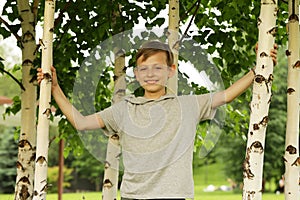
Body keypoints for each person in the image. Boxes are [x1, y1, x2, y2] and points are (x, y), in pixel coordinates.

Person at [37, 40, 277, 200]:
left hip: (175, 196)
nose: (150, 74)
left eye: (157, 68)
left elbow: (226, 95)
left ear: (170, 71)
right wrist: (56, 88)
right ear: (136, 73)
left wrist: (259, 67)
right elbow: (80, 122)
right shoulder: (122, 109)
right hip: (134, 197)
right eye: (144, 69)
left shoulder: (188, 105)